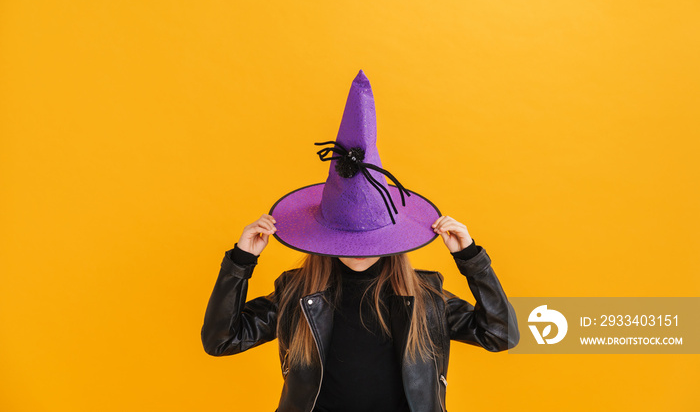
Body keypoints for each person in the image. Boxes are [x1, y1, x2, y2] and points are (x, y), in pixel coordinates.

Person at [201, 71, 519, 412]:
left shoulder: (426, 297)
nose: (357, 250)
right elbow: (222, 340)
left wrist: (471, 259)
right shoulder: (295, 293)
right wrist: (240, 262)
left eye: (366, 238)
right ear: (326, 238)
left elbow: (500, 334)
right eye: (346, 238)